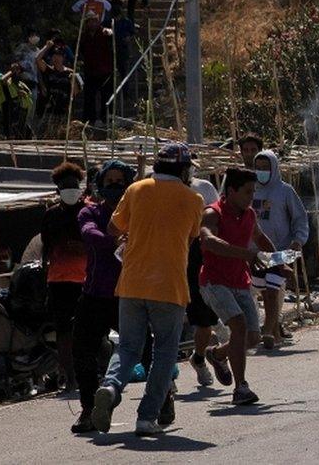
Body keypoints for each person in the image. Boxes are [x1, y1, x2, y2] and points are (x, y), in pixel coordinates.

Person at [92, 143, 203, 437]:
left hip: (132, 282)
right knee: (164, 352)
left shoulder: (136, 190)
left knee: (128, 347)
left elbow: (114, 230)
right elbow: (191, 236)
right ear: (183, 170)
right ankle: (146, 417)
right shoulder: (194, 199)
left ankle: (110, 388)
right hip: (169, 286)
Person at [70, 160, 137, 433]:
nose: (114, 186)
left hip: (131, 294)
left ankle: (163, 396)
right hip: (95, 294)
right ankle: (88, 408)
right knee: (82, 350)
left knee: (145, 350)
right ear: (100, 185)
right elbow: (90, 234)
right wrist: (116, 240)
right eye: (108, 181)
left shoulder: (139, 211)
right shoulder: (90, 212)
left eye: (120, 181)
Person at [200, 168, 276, 404]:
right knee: (239, 325)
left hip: (239, 281)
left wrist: (278, 261)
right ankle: (241, 387)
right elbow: (209, 242)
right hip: (214, 282)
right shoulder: (212, 213)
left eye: (253, 192)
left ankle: (217, 354)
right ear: (231, 191)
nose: (251, 197)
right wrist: (247, 254)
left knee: (252, 338)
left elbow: (260, 239)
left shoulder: (249, 214)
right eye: (246, 192)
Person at [252, 150, 309, 348]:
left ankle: (270, 331)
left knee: (274, 291)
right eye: (257, 168)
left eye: (265, 168)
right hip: (254, 253)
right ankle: (272, 331)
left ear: (274, 168)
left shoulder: (285, 191)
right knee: (264, 292)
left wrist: (298, 241)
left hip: (281, 251)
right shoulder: (250, 190)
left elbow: (300, 219)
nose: (261, 172)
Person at [41, 162, 88, 391]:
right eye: (65, 185)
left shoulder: (89, 211)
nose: (70, 189)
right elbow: (45, 249)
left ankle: (87, 372)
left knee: (87, 330)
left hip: (88, 279)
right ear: (57, 189)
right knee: (64, 331)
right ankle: (69, 377)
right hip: (59, 280)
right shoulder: (50, 215)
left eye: (73, 185)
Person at [186, 167, 220, 387]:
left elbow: (218, 221)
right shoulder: (156, 188)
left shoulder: (204, 188)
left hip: (197, 259)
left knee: (204, 322)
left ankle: (199, 358)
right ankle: (165, 378)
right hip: (167, 259)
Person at [37, 43, 81, 138]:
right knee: (44, 134)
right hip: (50, 108)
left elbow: (75, 93)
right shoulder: (49, 70)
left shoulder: (70, 72)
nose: (57, 58)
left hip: (63, 109)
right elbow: (38, 59)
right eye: (54, 55)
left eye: (59, 55)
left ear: (63, 57)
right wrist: (47, 47)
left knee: (61, 135)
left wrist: (73, 81)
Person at [78, 11, 114, 127]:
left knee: (106, 96)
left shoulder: (104, 32)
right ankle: (89, 120)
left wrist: (110, 32)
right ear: (87, 23)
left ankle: (106, 119)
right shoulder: (84, 36)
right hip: (90, 71)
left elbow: (111, 34)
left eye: (95, 21)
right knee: (89, 97)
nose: (92, 23)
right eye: (90, 21)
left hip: (105, 70)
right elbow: (81, 50)